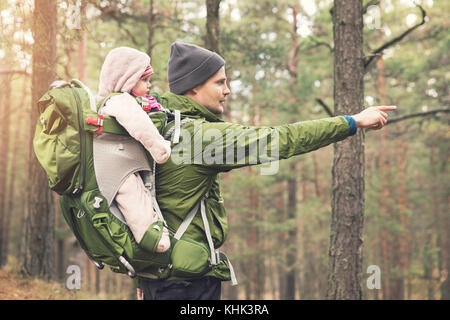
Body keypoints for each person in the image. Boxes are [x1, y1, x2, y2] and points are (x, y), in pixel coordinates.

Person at [136, 42, 396, 300]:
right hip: (185, 284)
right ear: (194, 85)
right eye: (219, 83)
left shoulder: (157, 128)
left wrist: (143, 276)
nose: (227, 91)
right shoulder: (198, 137)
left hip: (159, 275)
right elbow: (280, 140)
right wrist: (351, 122)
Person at [97, 47, 171, 254]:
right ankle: (152, 237)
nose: (149, 86)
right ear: (127, 79)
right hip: (116, 166)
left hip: (122, 161)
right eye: (144, 80)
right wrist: (160, 148)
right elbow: (140, 125)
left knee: (138, 196)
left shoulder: (126, 102)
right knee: (133, 197)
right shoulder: (119, 101)